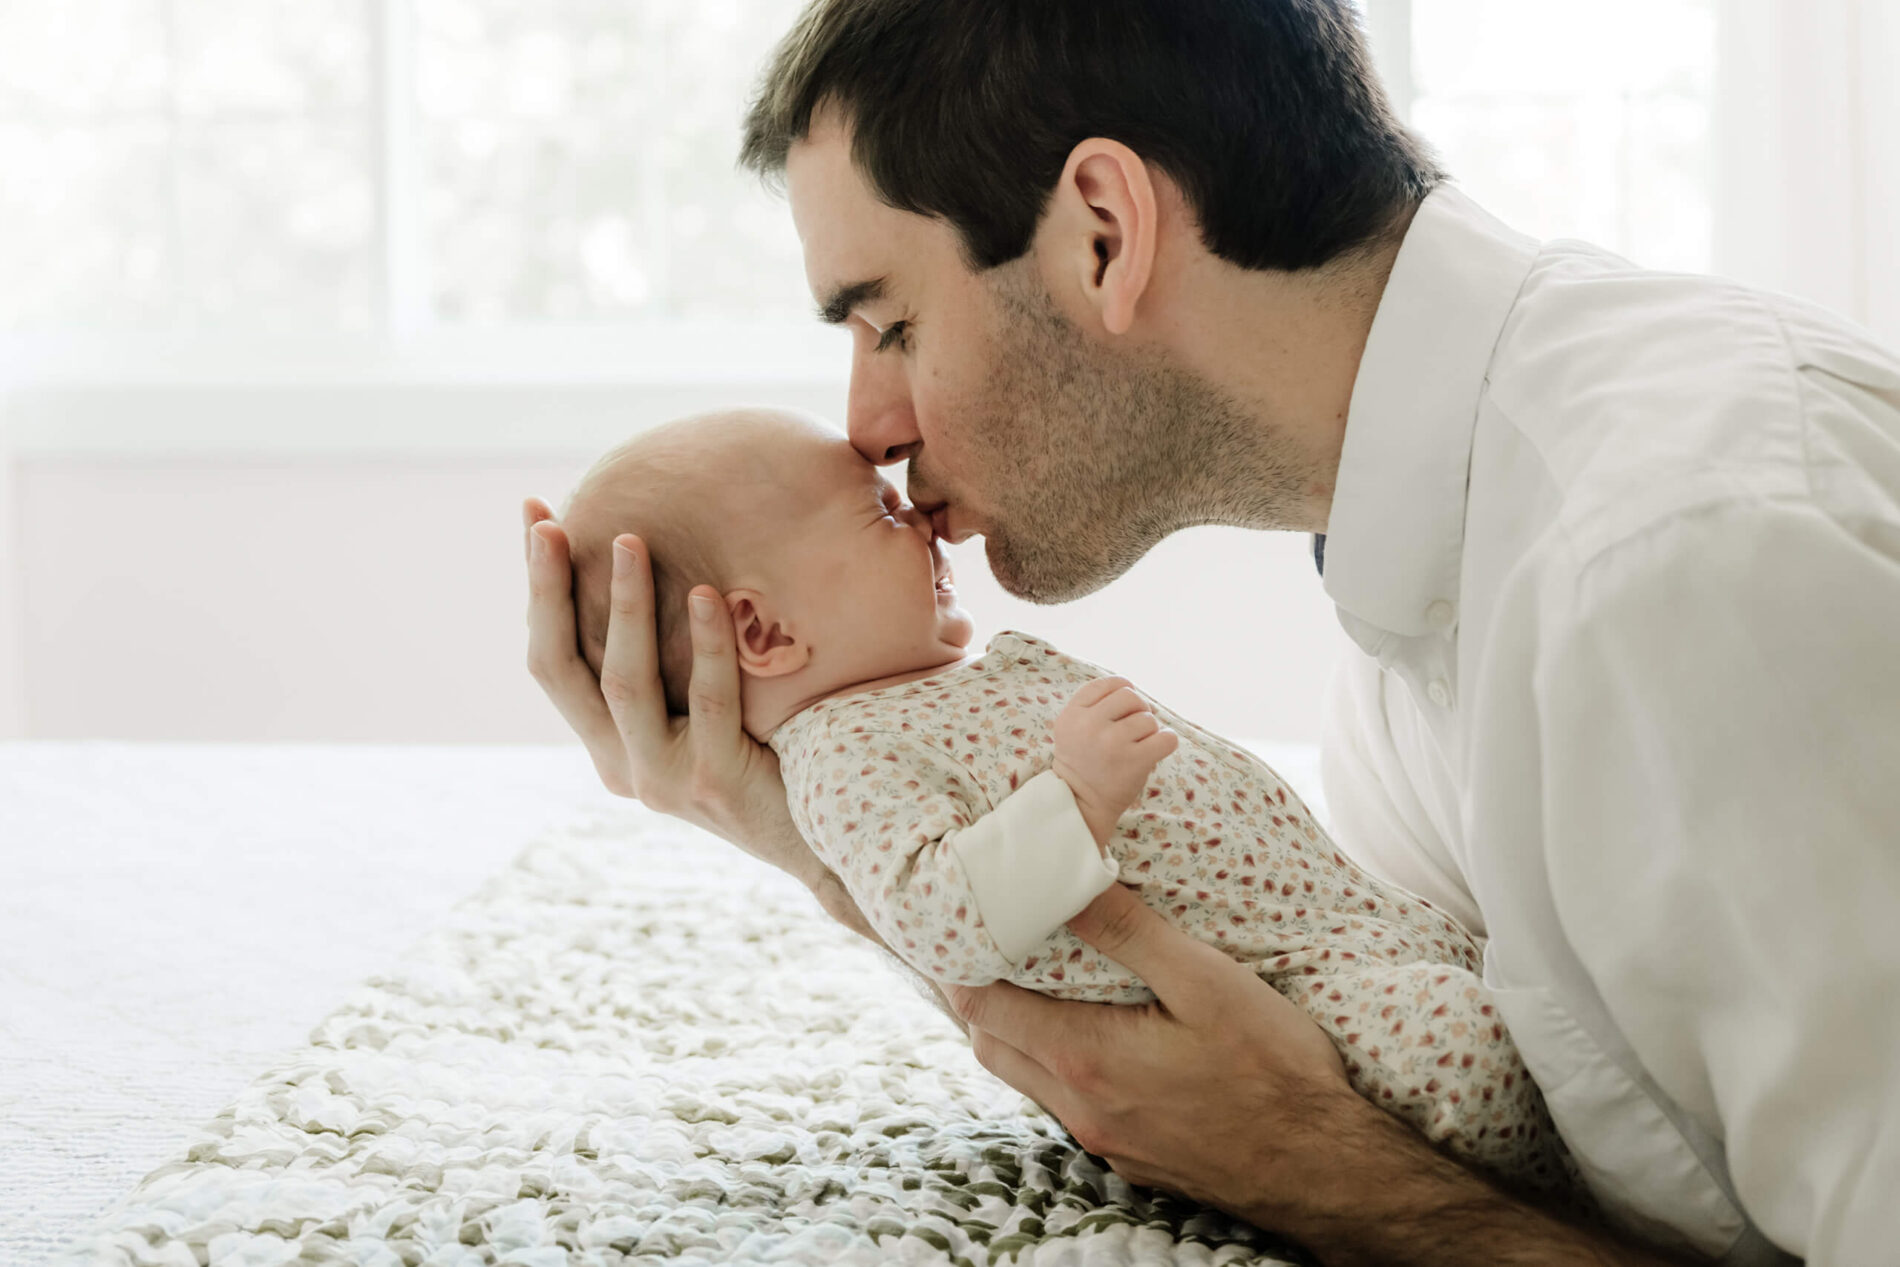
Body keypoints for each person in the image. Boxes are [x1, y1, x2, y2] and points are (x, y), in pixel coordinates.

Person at [523, 1, 1900, 1262]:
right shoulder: (1427, 564)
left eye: (889, 320)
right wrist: (806, 824)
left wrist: (1326, 1171)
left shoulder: (1681, 572)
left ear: (1102, 235)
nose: (868, 427)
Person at [556, 407, 1576, 1196]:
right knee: (1470, 1054)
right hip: (1283, 991)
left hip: (1322, 920)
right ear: (763, 633)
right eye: (876, 512)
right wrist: (1076, 797)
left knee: (1495, 979)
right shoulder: (843, 755)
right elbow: (936, 914)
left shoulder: (921, 693)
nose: (914, 514)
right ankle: (1589, 1179)